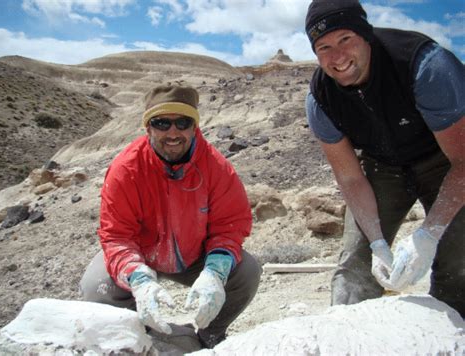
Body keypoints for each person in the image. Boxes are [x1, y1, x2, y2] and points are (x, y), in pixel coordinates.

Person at [304, 0, 464, 316]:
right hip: (382, 166)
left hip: (445, 162)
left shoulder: (427, 67)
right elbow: (350, 178)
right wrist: (377, 244)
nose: (337, 57)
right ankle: (346, 334)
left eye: (345, 39)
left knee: (458, 258)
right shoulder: (320, 98)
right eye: (323, 47)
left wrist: (428, 234)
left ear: (366, 35)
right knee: (356, 263)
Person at [80, 85, 262, 348]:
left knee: (246, 272)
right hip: (142, 256)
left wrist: (215, 272)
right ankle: (137, 336)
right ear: (148, 128)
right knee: (95, 287)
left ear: (195, 127)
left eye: (183, 122)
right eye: (162, 123)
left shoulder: (216, 167)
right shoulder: (125, 169)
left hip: (195, 256)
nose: (173, 132)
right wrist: (138, 278)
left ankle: (211, 334)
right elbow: (117, 235)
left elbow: (229, 226)